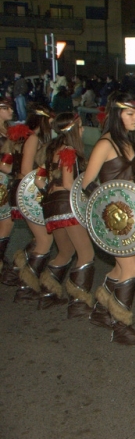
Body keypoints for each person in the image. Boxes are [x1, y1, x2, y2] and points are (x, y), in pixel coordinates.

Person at [81, 92, 135, 346]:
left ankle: (100, 310)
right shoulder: (105, 144)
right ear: (117, 115)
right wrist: (107, 205)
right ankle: (121, 326)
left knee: (120, 268)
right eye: (130, 114)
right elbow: (87, 184)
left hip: (129, 217)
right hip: (112, 220)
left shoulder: (130, 141)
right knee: (131, 268)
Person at [38, 113, 96, 314]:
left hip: (51, 205)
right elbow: (69, 182)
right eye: (80, 127)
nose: (83, 130)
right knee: (86, 253)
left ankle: (47, 294)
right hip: (66, 204)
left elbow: (39, 181)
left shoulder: (51, 149)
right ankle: (79, 302)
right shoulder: (69, 150)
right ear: (73, 130)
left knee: (65, 252)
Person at [12, 105, 54, 303]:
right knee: (45, 241)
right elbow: (26, 172)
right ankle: (25, 286)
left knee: (42, 239)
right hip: (30, 194)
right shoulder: (34, 139)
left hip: (33, 194)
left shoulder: (34, 139)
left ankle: (18, 267)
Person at [0, 99, 21, 286]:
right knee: (6, 222)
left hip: (6, 180)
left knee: (6, 222)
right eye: (6, 108)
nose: (11, 110)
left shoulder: (8, 130)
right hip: (1, 180)